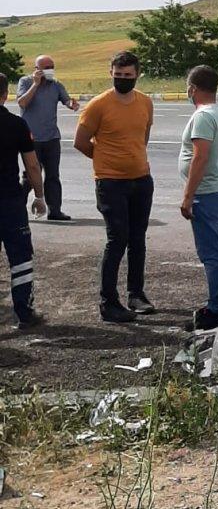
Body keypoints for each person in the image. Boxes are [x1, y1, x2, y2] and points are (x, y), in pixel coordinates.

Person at [74, 50, 155, 323]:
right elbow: (81, 141)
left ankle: (136, 294)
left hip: (141, 180)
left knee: (138, 239)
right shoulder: (98, 104)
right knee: (117, 239)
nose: (122, 79)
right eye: (118, 75)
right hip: (110, 183)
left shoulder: (145, 102)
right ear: (110, 73)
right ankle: (109, 302)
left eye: (128, 75)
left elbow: (142, 137)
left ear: (137, 75)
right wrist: (106, 162)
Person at [178, 65, 218, 331]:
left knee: (211, 253)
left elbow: (200, 156)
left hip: (207, 192)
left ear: (193, 88)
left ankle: (216, 308)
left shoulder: (202, 117)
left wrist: (188, 196)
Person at [1, 72, 47, 328]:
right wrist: (39, 196)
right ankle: (24, 313)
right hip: (10, 201)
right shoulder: (16, 125)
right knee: (20, 258)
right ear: (5, 94)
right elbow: (32, 165)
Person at [16, 54, 80, 221]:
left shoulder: (56, 84)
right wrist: (36, 85)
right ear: (36, 69)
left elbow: (66, 100)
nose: (50, 70)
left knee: (53, 176)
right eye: (46, 67)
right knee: (30, 176)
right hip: (31, 138)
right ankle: (16, 208)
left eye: (52, 66)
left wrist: (71, 105)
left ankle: (55, 210)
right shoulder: (26, 82)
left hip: (51, 138)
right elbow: (22, 103)